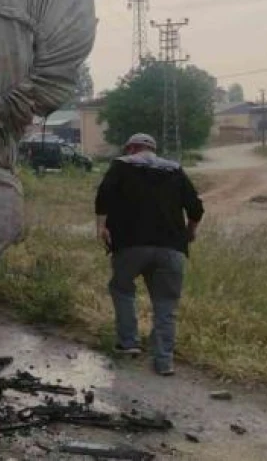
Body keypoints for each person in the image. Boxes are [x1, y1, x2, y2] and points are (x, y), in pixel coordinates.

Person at [94, 133, 204, 376]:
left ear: (131, 148)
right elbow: (196, 207)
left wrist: (101, 227)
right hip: (171, 249)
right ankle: (164, 361)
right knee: (166, 304)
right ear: (153, 149)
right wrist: (190, 232)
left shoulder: (121, 165)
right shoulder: (174, 170)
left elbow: (104, 195)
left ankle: (129, 343)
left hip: (130, 246)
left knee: (122, 288)